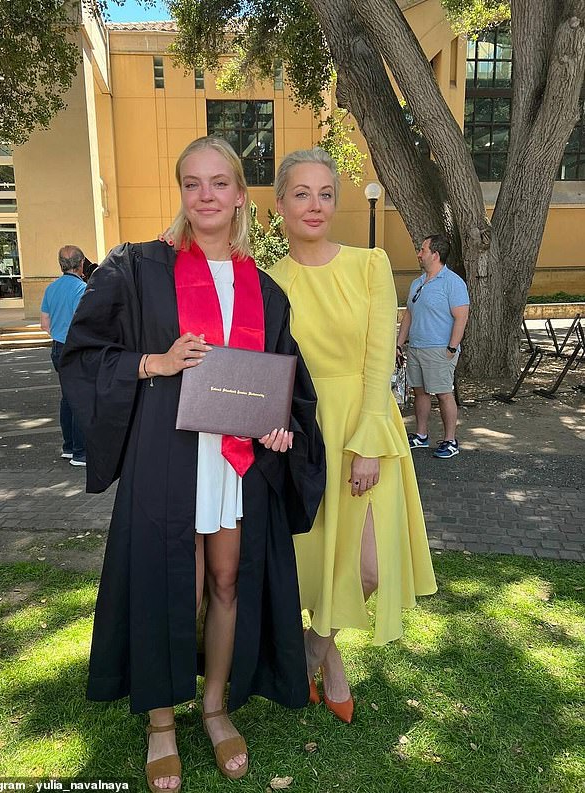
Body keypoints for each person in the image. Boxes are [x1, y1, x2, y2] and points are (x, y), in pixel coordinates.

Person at [59, 136, 325, 792]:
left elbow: (286, 383)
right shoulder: (136, 267)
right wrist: (155, 361)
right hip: (168, 455)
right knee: (168, 580)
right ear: (182, 192)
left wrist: (283, 429)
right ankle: (160, 725)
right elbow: (84, 352)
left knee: (229, 581)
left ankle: (213, 707)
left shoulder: (264, 290)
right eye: (192, 183)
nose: (205, 195)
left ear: (240, 194)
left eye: (218, 183)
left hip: (235, 463)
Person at [268, 147, 437, 723]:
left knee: (367, 567)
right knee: (311, 561)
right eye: (301, 193)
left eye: (325, 194)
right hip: (302, 438)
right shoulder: (270, 282)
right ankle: (332, 667)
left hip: (365, 428)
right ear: (279, 202)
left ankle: (310, 656)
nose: (315, 206)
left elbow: (377, 362)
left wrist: (366, 441)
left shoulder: (369, 264)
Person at [396, 235, 470, 459]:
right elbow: (409, 315)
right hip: (416, 348)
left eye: (423, 250)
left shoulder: (453, 282)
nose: (419, 254)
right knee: (420, 392)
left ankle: (450, 441)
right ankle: (421, 435)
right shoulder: (418, 282)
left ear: (435, 255)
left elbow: (461, 317)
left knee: (444, 394)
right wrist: (398, 344)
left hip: (439, 350)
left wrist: (451, 348)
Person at [40, 246, 87, 467]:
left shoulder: (51, 289)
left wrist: (59, 333)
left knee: (67, 397)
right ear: (81, 263)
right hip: (77, 349)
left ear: (61, 264)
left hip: (58, 347)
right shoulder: (82, 289)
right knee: (79, 399)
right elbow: (84, 323)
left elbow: (44, 324)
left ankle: (68, 447)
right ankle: (80, 452)